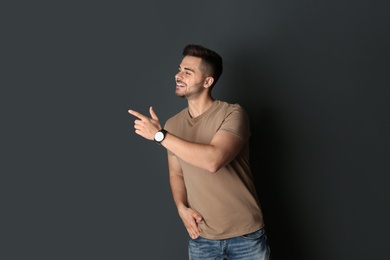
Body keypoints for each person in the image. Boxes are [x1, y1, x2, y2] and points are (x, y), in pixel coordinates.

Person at [128, 44, 271, 260]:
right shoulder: (173, 125)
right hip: (202, 239)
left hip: (246, 237)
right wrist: (180, 207)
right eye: (179, 69)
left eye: (188, 72)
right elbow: (176, 174)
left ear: (207, 81)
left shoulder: (233, 114)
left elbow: (213, 160)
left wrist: (160, 136)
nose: (178, 75)